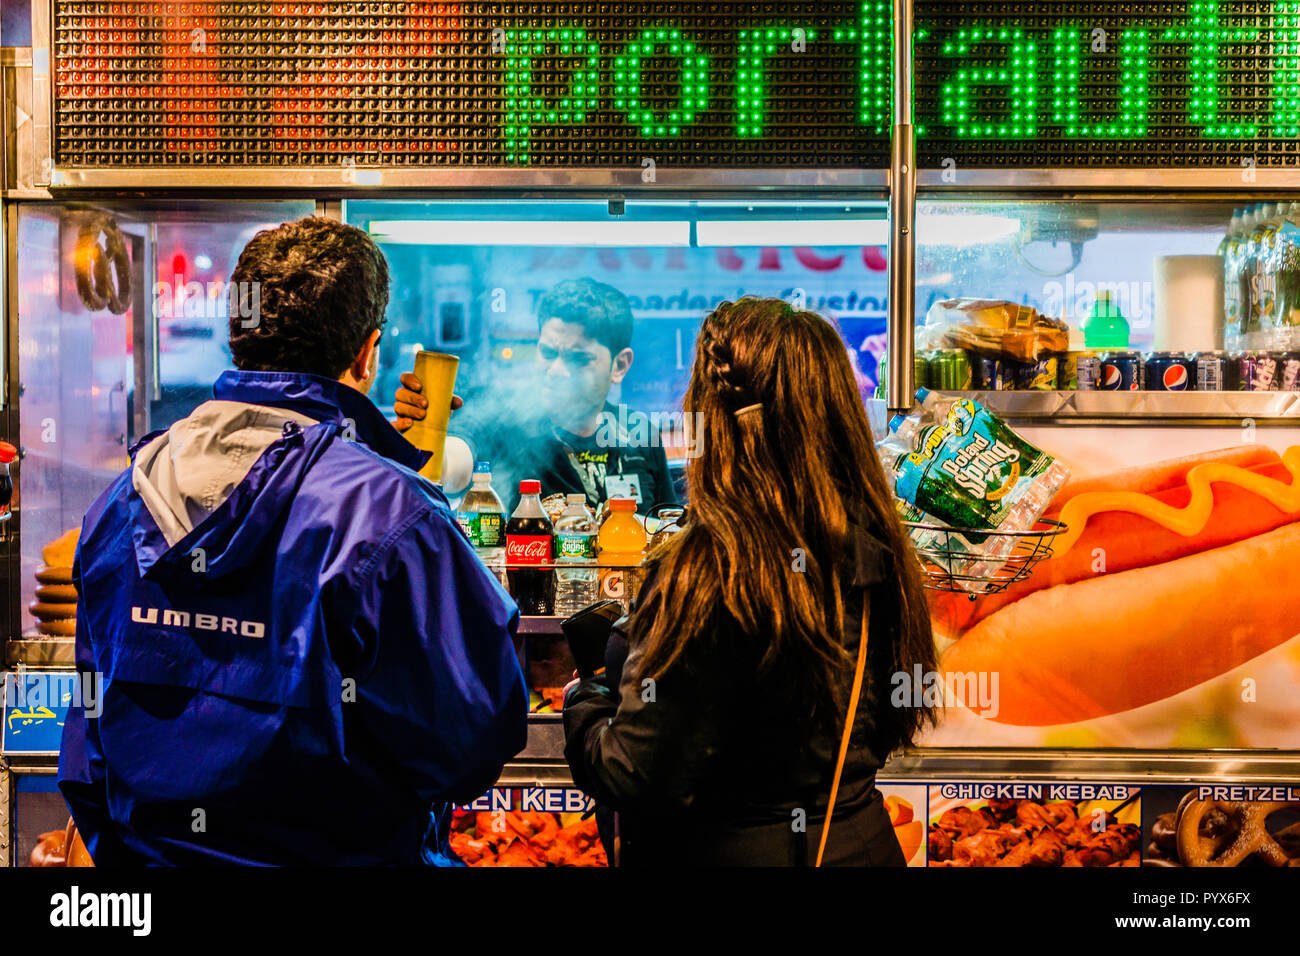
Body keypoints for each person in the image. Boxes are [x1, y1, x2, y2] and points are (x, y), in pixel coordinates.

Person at [58, 217, 528, 866]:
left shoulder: (119, 503)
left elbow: (88, 744)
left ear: (238, 339)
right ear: (367, 352)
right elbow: (471, 742)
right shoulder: (392, 515)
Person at [562, 297, 938, 867]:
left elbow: (635, 775)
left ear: (711, 418)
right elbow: (891, 720)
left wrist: (582, 701)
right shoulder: (879, 547)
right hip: (858, 843)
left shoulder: (711, 566)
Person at [392, 278, 678, 513]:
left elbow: (667, 528)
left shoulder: (638, 434)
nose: (557, 371)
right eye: (548, 353)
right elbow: (450, 468)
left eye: (579, 358)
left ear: (620, 365)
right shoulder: (503, 418)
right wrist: (422, 435)